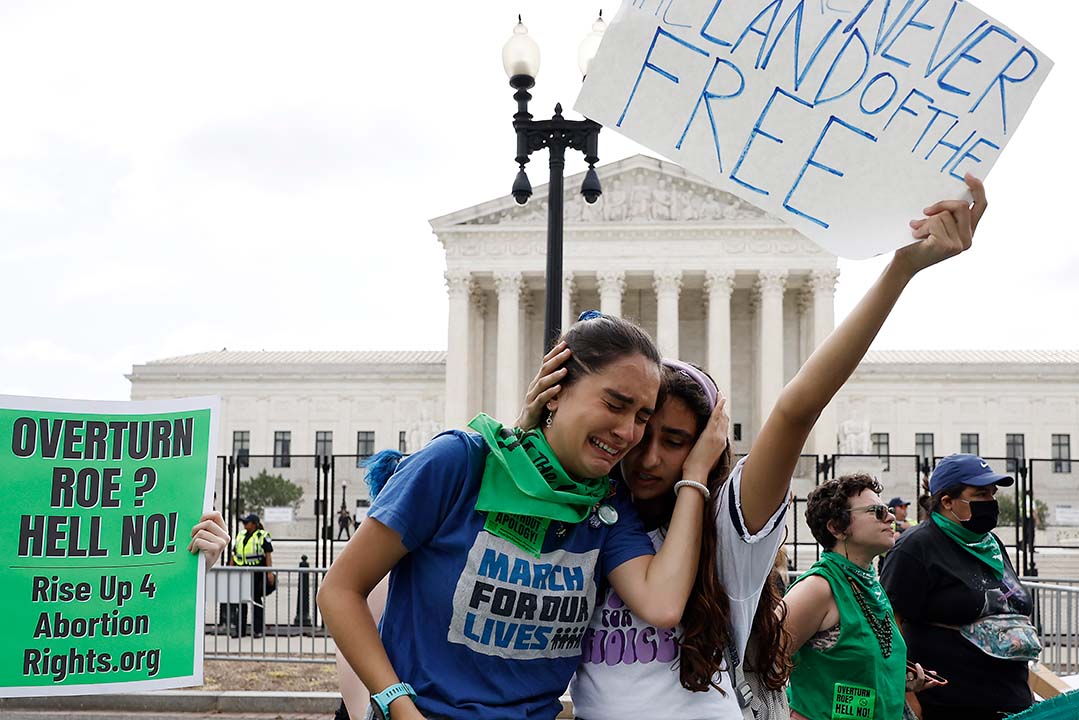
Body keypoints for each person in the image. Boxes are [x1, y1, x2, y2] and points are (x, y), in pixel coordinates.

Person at [318, 314, 727, 720]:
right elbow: (340, 590)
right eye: (615, 404)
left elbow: (662, 602)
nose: (628, 432)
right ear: (555, 389)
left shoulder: (606, 508)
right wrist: (398, 707)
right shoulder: (459, 464)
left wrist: (694, 477)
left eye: (641, 416)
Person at [880, 454, 1037, 719]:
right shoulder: (916, 547)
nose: (991, 502)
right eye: (980, 494)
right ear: (947, 502)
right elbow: (887, 628)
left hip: (1012, 702)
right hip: (950, 706)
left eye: (992, 493)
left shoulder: (990, 544)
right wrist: (908, 699)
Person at [783, 475, 941, 720]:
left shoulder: (868, 584)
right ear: (837, 527)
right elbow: (761, 661)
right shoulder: (818, 588)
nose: (890, 517)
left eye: (888, 509)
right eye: (877, 511)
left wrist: (897, 681)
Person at [230, 512, 274, 638]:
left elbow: (268, 554)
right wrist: (230, 568)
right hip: (241, 571)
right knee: (241, 601)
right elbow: (234, 553)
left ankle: (257, 630)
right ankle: (240, 630)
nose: (244, 524)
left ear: (254, 524)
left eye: (246, 522)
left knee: (255, 600)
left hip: (257, 572)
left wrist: (269, 572)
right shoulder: (241, 535)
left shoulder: (262, 535)